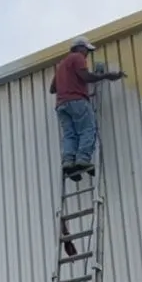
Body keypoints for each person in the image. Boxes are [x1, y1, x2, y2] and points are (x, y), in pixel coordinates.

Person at [49, 36, 126, 180]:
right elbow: (86, 77)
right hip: (77, 101)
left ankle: (68, 162)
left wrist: (67, 82)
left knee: (70, 135)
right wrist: (106, 75)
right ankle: (83, 159)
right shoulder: (77, 57)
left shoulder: (62, 65)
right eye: (87, 50)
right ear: (79, 48)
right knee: (87, 129)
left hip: (61, 105)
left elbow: (52, 89)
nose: (87, 54)